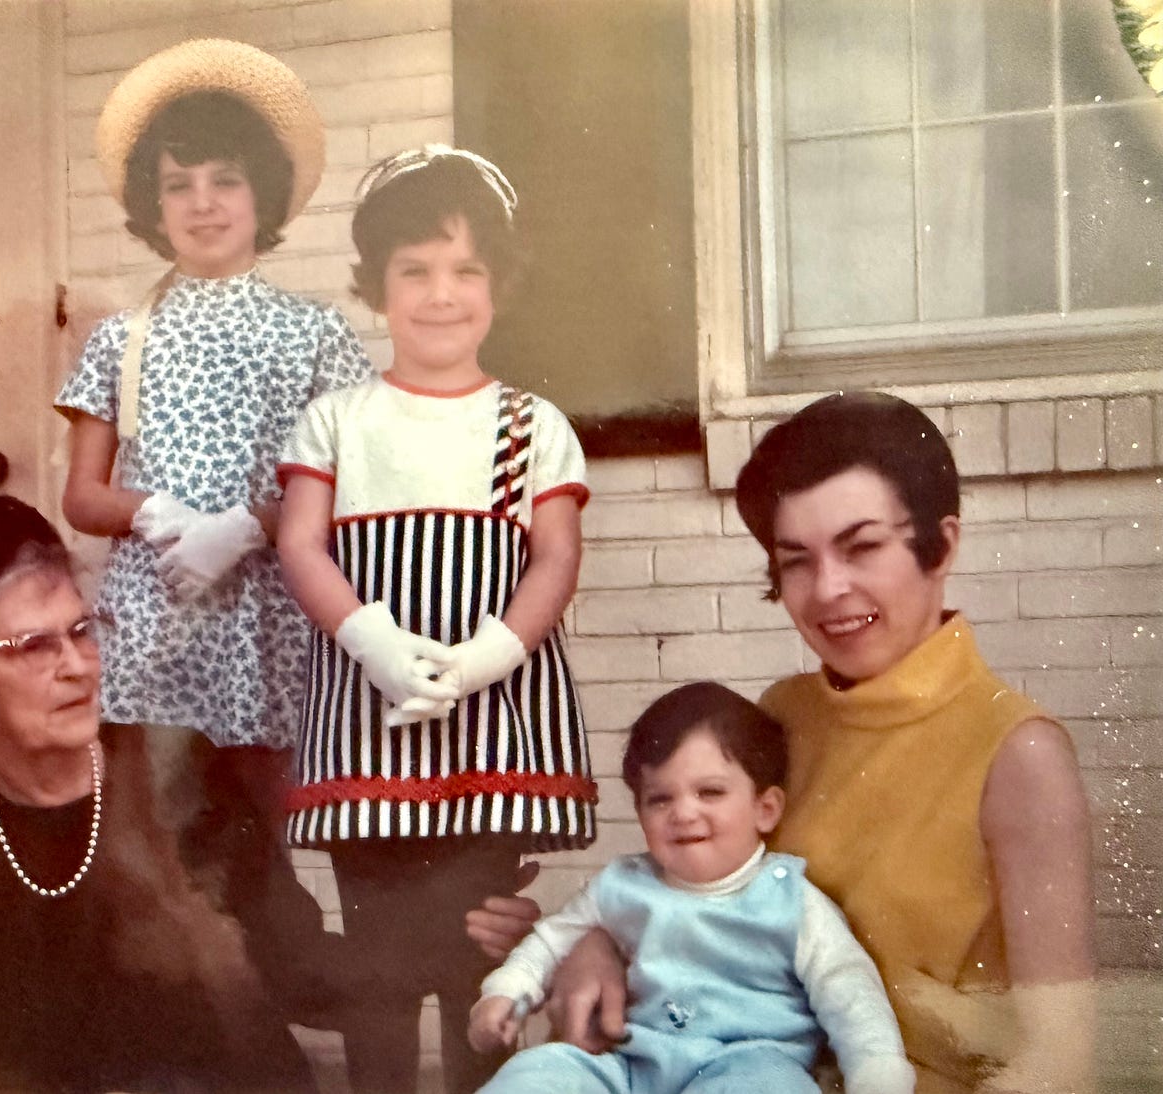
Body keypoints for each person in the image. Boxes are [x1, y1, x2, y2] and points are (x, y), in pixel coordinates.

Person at [549, 393, 1096, 1094]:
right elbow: (703, 889)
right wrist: (596, 944)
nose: (829, 589)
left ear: (943, 545)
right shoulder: (785, 713)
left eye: (862, 546)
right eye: (796, 560)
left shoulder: (1019, 754)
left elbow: (1060, 1065)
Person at [277, 146, 599, 1094]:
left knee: (475, 960)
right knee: (378, 970)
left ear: (499, 284)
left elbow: (556, 556)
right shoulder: (338, 419)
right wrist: (375, 645)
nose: (440, 294)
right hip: (368, 729)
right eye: (413, 271)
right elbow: (303, 547)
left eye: (466, 270)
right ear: (377, 284)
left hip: (490, 727)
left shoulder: (530, 425)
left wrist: (478, 663)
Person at [0, 491, 319, 1093]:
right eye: (33, 646)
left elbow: (302, 970)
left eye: (81, 630)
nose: (78, 664)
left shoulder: (182, 778)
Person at [55, 39, 371, 830]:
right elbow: (83, 497)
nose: (202, 203)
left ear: (261, 194)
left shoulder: (313, 332)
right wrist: (156, 514)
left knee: (261, 837)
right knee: (155, 830)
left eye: (224, 181)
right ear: (152, 208)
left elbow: (349, 482)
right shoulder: (120, 337)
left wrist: (244, 528)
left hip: (266, 615)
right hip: (154, 617)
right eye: (178, 186)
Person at [469, 682, 914, 1094]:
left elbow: (848, 990)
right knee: (539, 1073)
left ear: (765, 809)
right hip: (629, 1066)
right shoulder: (624, 884)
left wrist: (878, 1072)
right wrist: (506, 992)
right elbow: (551, 942)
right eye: (660, 798)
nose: (682, 813)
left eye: (710, 792)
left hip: (748, 1061)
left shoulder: (790, 899)